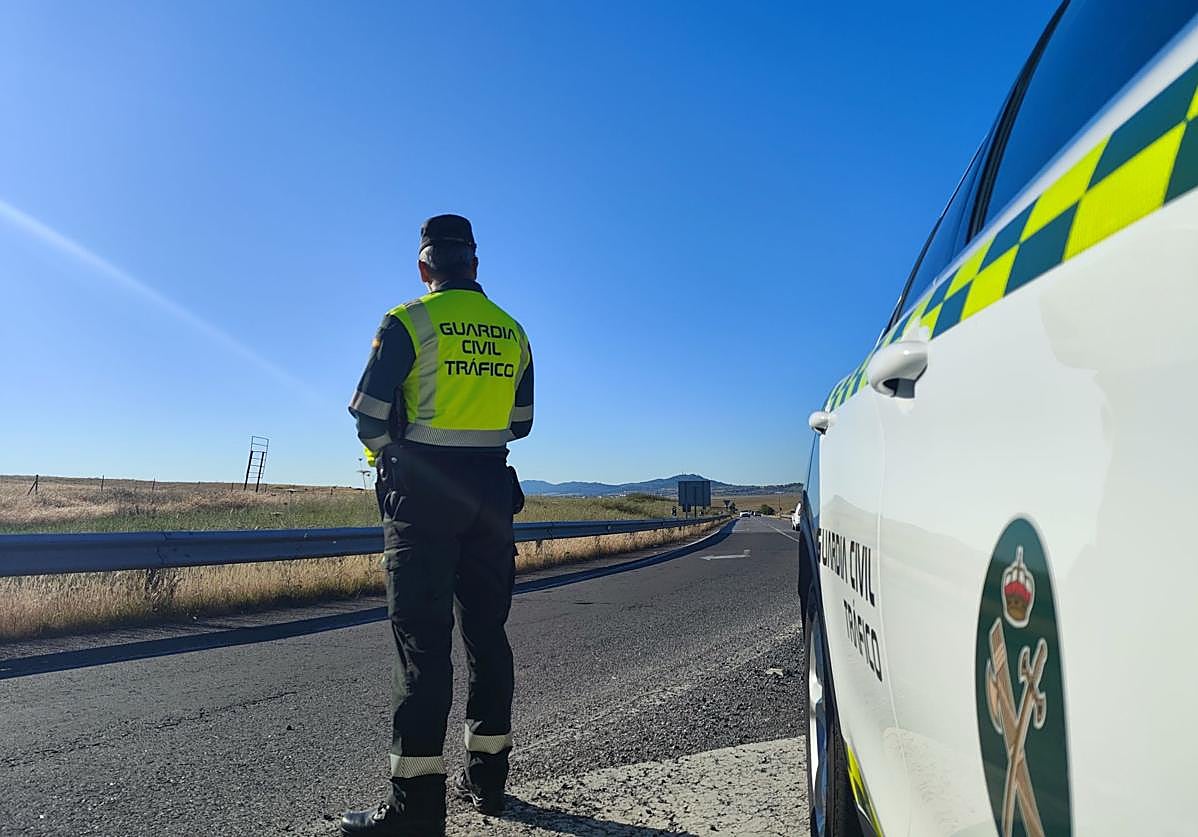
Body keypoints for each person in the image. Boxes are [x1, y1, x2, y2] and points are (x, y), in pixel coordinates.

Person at [342, 214, 533, 836]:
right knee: (487, 638)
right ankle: (490, 783)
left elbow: (369, 415)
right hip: (488, 496)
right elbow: (522, 422)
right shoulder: (512, 331)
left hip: (421, 498)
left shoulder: (406, 321)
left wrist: (388, 453)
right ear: (474, 266)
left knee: (422, 650)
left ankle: (417, 811)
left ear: (425, 269)